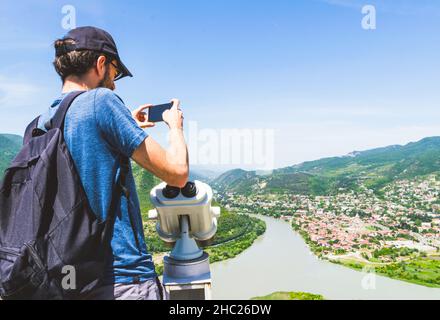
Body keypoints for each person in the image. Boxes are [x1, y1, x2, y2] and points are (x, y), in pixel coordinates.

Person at [38, 26, 189, 300]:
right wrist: (175, 127)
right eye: (115, 72)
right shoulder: (102, 102)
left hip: (67, 279)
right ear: (100, 63)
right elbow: (177, 174)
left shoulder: (43, 121)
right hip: (122, 279)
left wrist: (124, 126)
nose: (115, 83)